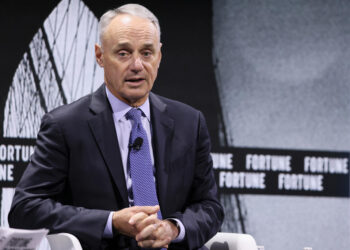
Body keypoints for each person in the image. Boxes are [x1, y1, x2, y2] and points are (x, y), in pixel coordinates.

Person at [8, 3, 224, 250]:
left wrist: (173, 228)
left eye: (146, 53)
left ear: (159, 56)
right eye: (123, 53)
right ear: (100, 56)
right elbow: (25, 208)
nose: (137, 65)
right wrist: (111, 222)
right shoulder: (65, 126)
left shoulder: (190, 122)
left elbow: (210, 206)